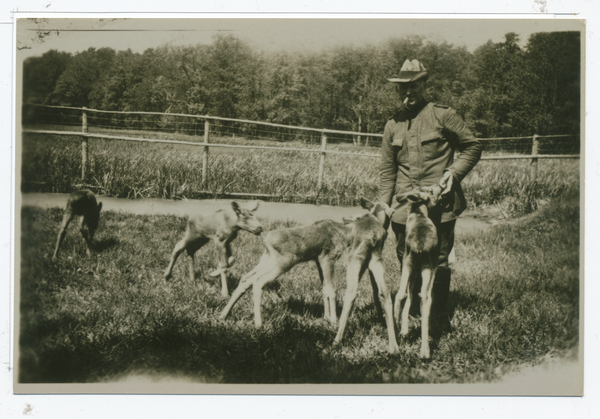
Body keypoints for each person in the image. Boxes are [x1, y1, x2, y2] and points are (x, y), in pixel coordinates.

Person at [379, 59, 482, 335]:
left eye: (413, 86)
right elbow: (387, 174)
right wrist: (382, 212)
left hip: (440, 205)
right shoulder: (392, 125)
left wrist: (454, 173)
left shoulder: (443, 115)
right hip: (405, 209)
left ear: (424, 85)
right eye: (402, 88)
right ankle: (411, 310)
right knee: (405, 256)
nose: (407, 93)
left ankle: (436, 318)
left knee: (438, 260)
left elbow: (472, 147)